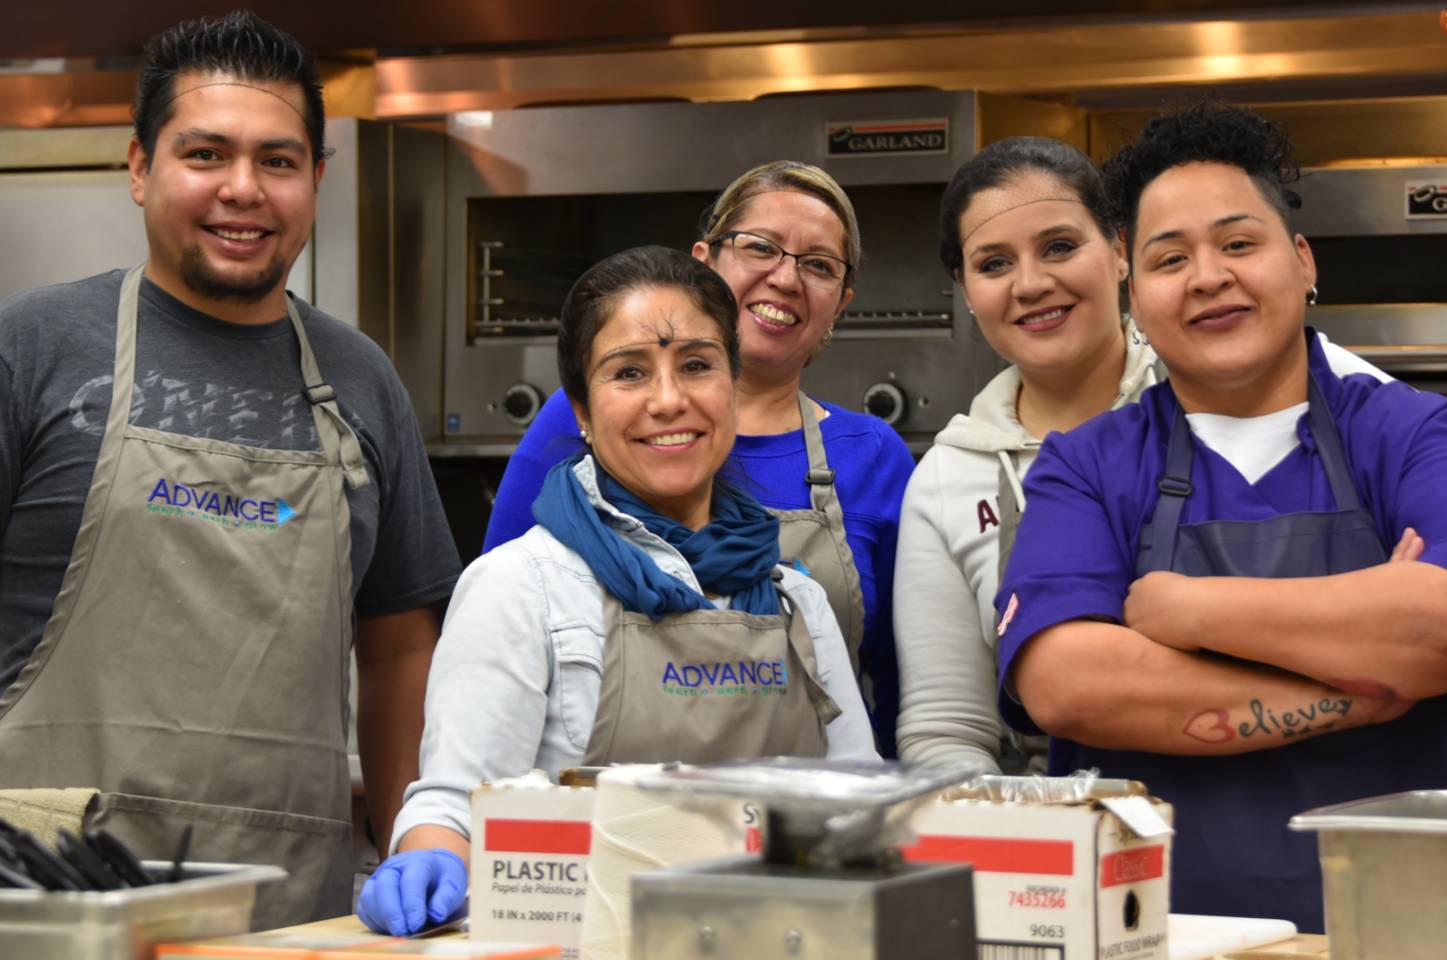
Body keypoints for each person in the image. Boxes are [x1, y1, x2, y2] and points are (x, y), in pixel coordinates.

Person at [995, 101, 1447, 930]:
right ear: (1135, 296)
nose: (1209, 276)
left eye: (1239, 243)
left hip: (1417, 932)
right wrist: (1362, 688)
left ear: (1304, 260)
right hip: (1162, 937)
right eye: (1170, 258)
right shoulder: (1087, 465)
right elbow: (1068, 684)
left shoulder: (1419, 433)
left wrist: (1182, 609)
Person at [0, 11, 460, 928]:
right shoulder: (36, 346)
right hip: (46, 892)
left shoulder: (363, 379)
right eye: (205, 154)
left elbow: (401, 641)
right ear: (140, 168)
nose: (242, 189)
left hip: (283, 897)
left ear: (316, 181)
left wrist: (418, 827)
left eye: (278, 161)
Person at [357, 246, 878, 935]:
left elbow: (864, 810)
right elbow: (457, 807)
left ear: (731, 385)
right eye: (629, 372)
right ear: (580, 409)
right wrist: (429, 858)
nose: (669, 400)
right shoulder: (518, 589)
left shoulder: (796, 605)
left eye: (697, 365)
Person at [893, 136, 1386, 774]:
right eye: (993, 264)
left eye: (1060, 247)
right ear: (964, 288)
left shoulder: (1249, 370)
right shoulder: (948, 478)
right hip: (1085, 831)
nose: (1032, 283)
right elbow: (948, 729)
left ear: (1120, 251)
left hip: (1340, 778)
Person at [482, 162, 913, 755]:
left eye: (818, 265)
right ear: (705, 262)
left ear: (840, 302)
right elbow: (504, 632)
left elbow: (899, 684)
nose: (786, 279)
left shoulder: (871, 457)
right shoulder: (585, 416)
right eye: (761, 247)